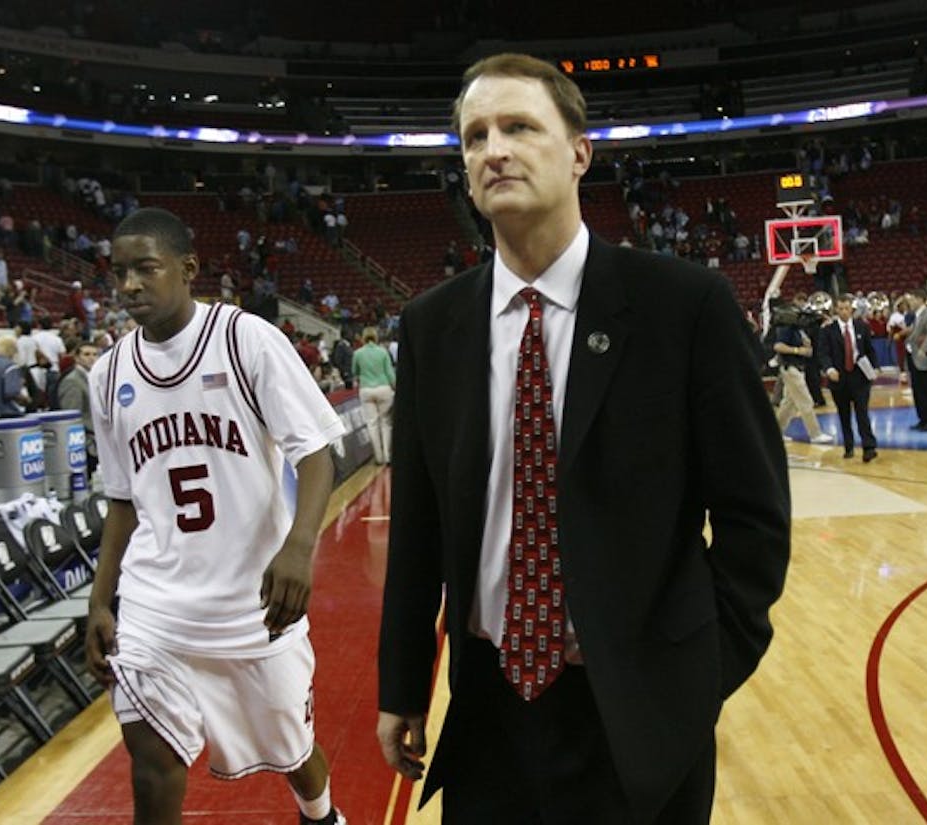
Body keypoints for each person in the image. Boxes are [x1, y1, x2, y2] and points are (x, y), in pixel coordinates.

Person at [376, 53, 790, 825]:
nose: (492, 148)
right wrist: (401, 685)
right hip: (490, 710)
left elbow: (754, 519)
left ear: (579, 152)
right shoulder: (433, 326)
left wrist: (693, 677)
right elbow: (419, 528)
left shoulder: (684, 306)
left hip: (636, 710)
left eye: (519, 126)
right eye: (474, 136)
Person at [86, 207, 347, 825]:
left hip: (250, 601)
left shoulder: (245, 339)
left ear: (188, 268)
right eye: (119, 272)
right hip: (156, 606)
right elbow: (122, 499)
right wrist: (101, 602)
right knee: (151, 769)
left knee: (294, 750)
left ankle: (322, 816)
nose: (129, 286)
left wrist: (299, 545)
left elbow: (315, 452)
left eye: (145, 269)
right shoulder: (107, 375)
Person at [818, 294, 879, 461]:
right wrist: (829, 369)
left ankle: (869, 447)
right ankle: (848, 445)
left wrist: (875, 368)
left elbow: (869, 350)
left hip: (860, 377)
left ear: (852, 309)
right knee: (843, 414)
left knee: (862, 413)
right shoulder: (827, 330)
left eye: (847, 308)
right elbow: (823, 353)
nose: (844, 312)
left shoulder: (862, 327)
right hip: (838, 378)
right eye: (840, 308)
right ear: (836, 309)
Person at [772, 304, 834, 444]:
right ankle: (815, 434)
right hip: (791, 368)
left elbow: (808, 347)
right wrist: (797, 350)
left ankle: (775, 433)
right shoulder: (786, 328)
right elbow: (778, 346)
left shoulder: (799, 330)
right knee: (806, 401)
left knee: (789, 404)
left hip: (798, 367)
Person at [351, 328, 395, 465]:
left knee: (372, 423)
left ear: (363, 338)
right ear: (376, 337)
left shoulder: (357, 353)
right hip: (383, 388)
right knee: (386, 422)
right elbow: (390, 373)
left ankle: (378, 457)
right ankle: (388, 456)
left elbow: (354, 371)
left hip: (366, 389)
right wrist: (395, 386)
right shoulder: (383, 352)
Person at [57, 340, 100, 476]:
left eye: (95, 354)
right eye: (86, 354)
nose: (91, 357)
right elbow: (71, 419)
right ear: (76, 357)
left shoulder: (94, 377)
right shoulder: (72, 381)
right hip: (85, 445)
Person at [904, 285, 927, 431]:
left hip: (925, 359)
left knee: (926, 390)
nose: (911, 302)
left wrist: (923, 349)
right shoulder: (917, 315)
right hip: (913, 357)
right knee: (918, 390)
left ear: (921, 299)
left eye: (913, 299)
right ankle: (923, 419)